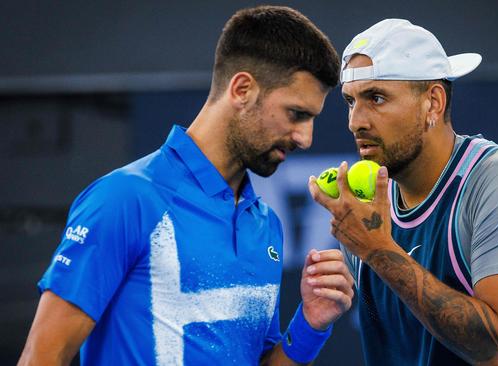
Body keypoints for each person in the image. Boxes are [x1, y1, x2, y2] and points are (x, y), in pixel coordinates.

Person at [18, 6, 354, 365]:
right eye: (297, 114)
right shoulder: (124, 199)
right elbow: (41, 357)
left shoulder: (266, 225)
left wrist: (310, 324)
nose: (305, 138)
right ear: (242, 89)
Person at [308, 19, 498, 365]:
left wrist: (378, 250)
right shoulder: (368, 209)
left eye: (376, 97)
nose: (356, 121)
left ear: (433, 102)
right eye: (350, 102)